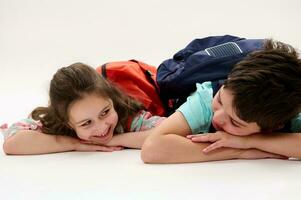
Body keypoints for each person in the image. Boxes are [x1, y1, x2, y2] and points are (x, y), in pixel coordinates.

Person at [140, 39, 301, 163]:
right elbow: (152, 147)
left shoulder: (283, 111)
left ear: (272, 127)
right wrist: (237, 151)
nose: (218, 118)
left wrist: (249, 141)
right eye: (220, 102)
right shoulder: (207, 97)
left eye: (235, 123)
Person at [1, 63, 165, 155]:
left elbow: (169, 130)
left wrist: (115, 140)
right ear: (67, 123)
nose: (102, 127)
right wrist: (76, 144)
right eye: (86, 123)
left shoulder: (126, 114)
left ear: (111, 100)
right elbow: (12, 144)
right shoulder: (57, 121)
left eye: (105, 112)